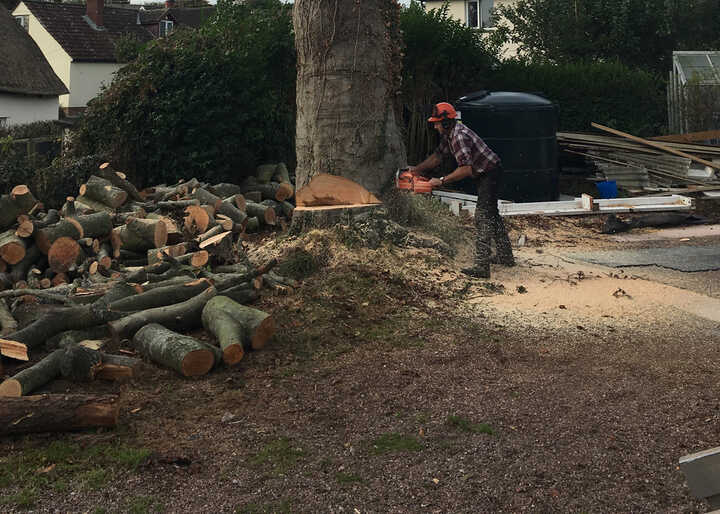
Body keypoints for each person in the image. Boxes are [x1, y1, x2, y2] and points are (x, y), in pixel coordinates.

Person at [408, 101, 514, 279]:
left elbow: (466, 169)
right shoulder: (449, 135)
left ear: (446, 122)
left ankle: (482, 267)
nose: (434, 126)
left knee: (482, 216)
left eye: (436, 122)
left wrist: (441, 181)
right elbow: (437, 156)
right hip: (484, 172)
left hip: (489, 172)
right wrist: (416, 170)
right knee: (491, 214)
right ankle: (505, 256)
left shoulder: (458, 136)